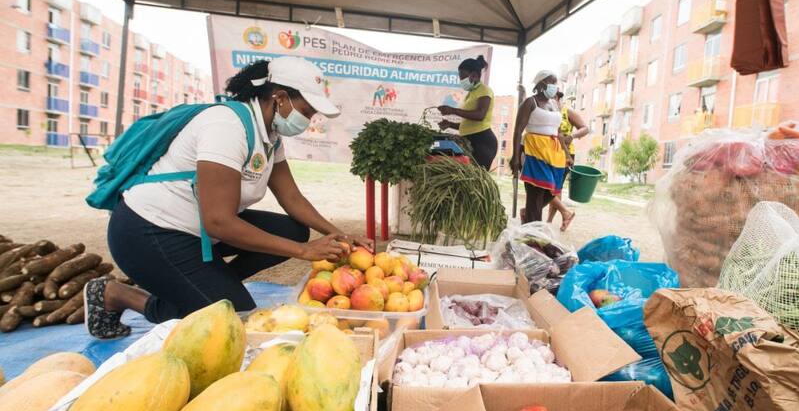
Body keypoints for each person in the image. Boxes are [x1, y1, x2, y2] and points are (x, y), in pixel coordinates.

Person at [85, 57, 372, 338]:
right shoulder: (227, 126)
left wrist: (339, 234)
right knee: (232, 320)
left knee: (293, 230)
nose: (308, 121)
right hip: (148, 233)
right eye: (307, 111)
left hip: (197, 231)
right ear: (280, 97)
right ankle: (116, 294)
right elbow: (219, 222)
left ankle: (207, 284)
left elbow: (292, 197)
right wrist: (304, 251)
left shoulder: (270, 136)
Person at [510, 71, 566, 224]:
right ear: (541, 84)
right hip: (534, 152)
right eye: (551, 82)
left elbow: (559, 132)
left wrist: (566, 154)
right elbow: (518, 131)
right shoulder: (530, 102)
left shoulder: (555, 104)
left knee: (550, 191)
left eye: (556, 83)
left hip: (554, 154)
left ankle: (529, 219)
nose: (555, 86)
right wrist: (515, 157)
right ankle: (533, 230)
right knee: (536, 193)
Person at [437, 55, 498, 170]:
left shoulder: (484, 90)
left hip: (482, 142)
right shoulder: (471, 93)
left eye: (463, 77)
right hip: (471, 140)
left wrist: (453, 110)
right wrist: (450, 124)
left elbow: (480, 115)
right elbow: (469, 124)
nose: (461, 81)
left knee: (475, 177)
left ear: (474, 75)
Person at [547, 91, 590, 231]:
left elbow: (585, 128)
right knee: (550, 188)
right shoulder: (547, 109)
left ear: (558, 98)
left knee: (555, 188)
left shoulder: (567, 111)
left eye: (552, 97)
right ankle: (558, 218)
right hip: (548, 152)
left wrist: (572, 136)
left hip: (565, 154)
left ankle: (550, 222)